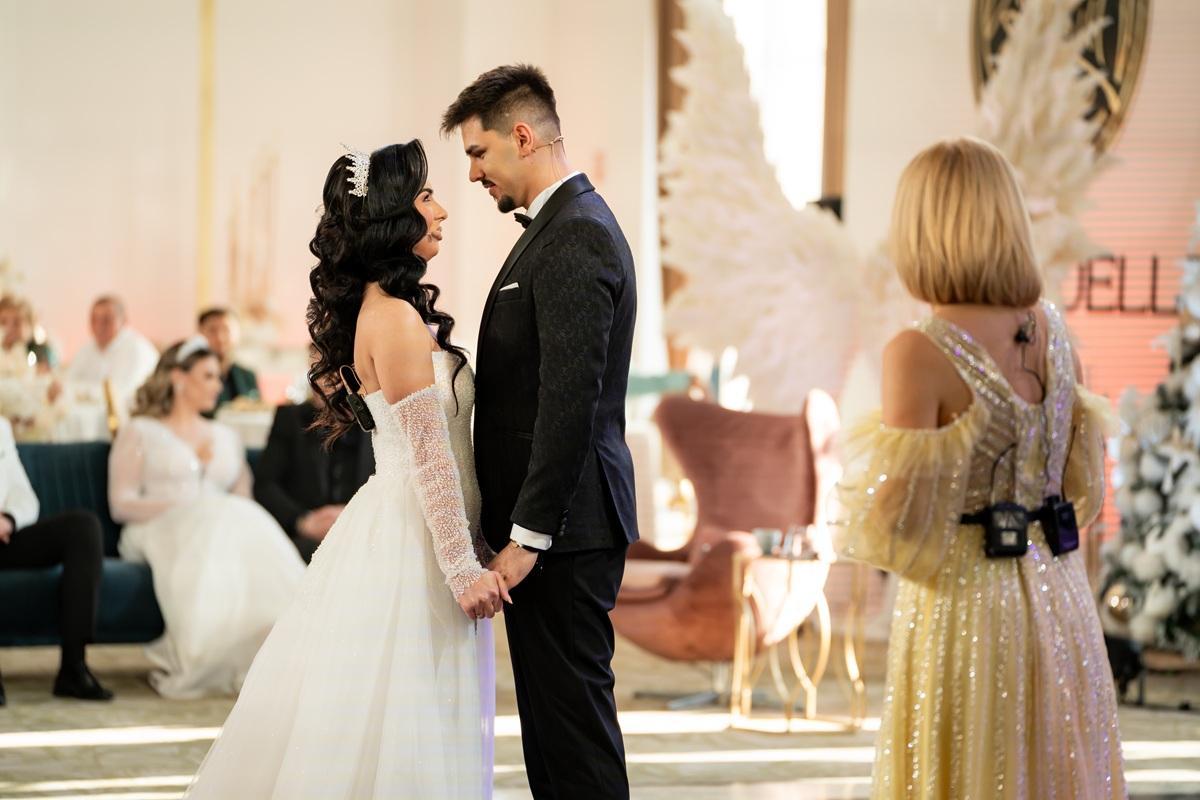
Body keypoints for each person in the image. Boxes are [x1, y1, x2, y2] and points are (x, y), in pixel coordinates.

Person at [185, 140, 507, 799]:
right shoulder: (393, 319)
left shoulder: (389, 311)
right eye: (426, 196)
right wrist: (460, 566)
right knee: (396, 721)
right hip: (413, 539)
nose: (442, 210)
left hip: (415, 526)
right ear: (392, 215)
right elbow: (429, 457)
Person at [833, 137, 1125, 798]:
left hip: (965, 605)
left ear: (921, 231)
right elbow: (1078, 486)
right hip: (1061, 596)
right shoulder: (1056, 334)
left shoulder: (917, 351)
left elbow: (905, 523)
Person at [442, 64, 639, 799]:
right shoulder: (558, 229)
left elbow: (569, 400)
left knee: (575, 739)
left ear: (522, 136)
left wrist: (528, 537)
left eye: (478, 152)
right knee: (553, 738)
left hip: (565, 531)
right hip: (559, 527)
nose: (473, 173)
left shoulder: (577, 233)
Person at [108, 337, 305, 698]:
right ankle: (206, 653)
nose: (218, 385)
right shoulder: (140, 431)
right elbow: (121, 504)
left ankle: (281, 640)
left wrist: (213, 509)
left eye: (219, 377)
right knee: (217, 521)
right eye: (208, 376)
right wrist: (188, 505)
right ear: (178, 378)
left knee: (242, 522)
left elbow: (242, 498)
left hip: (219, 524)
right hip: (157, 527)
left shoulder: (226, 435)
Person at [0, 416, 111, 704]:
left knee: (83, 527)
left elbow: (24, 496)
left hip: (5, 535)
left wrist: (9, 519)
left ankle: (73, 667)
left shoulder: (1, 427)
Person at [253, 347, 374, 562]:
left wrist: (353, 515)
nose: (322, 380)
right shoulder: (289, 418)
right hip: (305, 539)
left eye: (330, 370)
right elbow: (265, 485)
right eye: (316, 370)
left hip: (363, 533)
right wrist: (303, 521)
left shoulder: (374, 421)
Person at [67, 296, 159, 412]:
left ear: (124, 321)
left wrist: (80, 391)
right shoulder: (86, 349)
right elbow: (69, 383)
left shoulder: (137, 350)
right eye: (94, 320)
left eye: (106, 320)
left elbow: (119, 394)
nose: (99, 326)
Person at [197, 307, 260, 410]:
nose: (220, 338)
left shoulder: (247, 376)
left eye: (226, 330)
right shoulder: (191, 375)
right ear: (200, 334)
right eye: (212, 330)